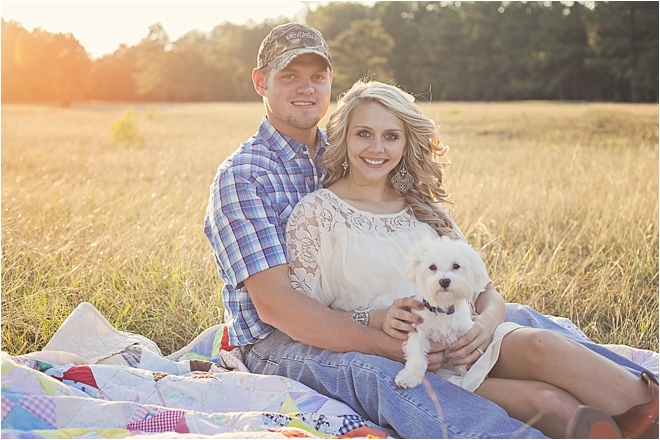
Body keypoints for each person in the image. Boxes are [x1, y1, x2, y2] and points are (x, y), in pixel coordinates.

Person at [203, 22, 656, 438]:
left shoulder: (341, 149)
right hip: (278, 338)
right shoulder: (244, 175)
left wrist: (474, 318)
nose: (306, 88)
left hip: (399, 311)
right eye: (289, 76)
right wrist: (384, 339)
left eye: (317, 77)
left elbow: (462, 276)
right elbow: (279, 307)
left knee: (526, 322)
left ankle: (642, 402)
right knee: (381, 374)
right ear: (260, 82)